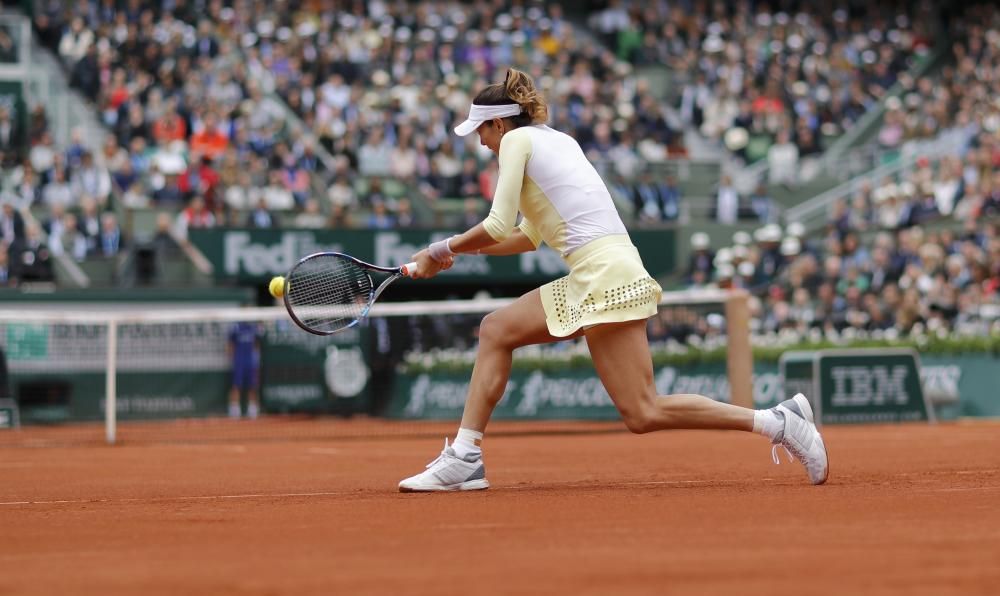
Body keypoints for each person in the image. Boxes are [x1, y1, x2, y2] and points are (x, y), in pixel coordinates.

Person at [398, 68, 828, 492]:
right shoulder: (556, 140)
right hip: (613, 266)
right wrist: (454, 252)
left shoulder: (515, 141)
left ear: (498, 123)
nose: (481, 141)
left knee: (496, 330)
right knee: (642, 413)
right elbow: (526, 238)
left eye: (481, 131)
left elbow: (495, 224)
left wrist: (442, 250)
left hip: (601, 272)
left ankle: (465, 457)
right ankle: (776, 420)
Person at [227, 319, 263, 419]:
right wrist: (232, 358)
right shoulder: (235, 328)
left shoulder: (254, 328)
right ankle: (234, 411)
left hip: (251, 362)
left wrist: (257, 359)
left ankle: (252, 410)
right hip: (238, 361)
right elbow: (230, 345)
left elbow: (257, 344)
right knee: (236, 385)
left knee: (253, 385)